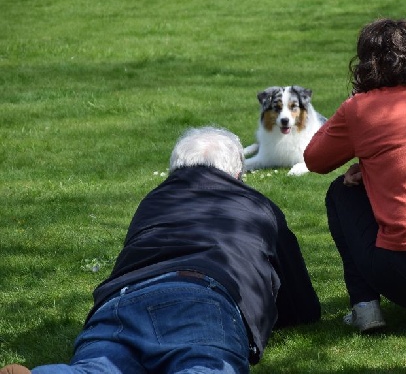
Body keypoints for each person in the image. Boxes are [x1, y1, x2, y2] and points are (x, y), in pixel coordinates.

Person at [1, 126, 320, 374]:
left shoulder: (153, 200)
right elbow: (299, 302)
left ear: (174, 170)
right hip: (204, 294)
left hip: (122, 297)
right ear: (239, 175)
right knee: (202, 364)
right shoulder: (258, 206)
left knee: (101, 366)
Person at [303, 18, 406, 336]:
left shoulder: (361, 108)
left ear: (365, 64)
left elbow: (315, 159)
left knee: (341, 191)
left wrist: (354, 107)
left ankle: (365, 307)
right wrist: (370, 166)